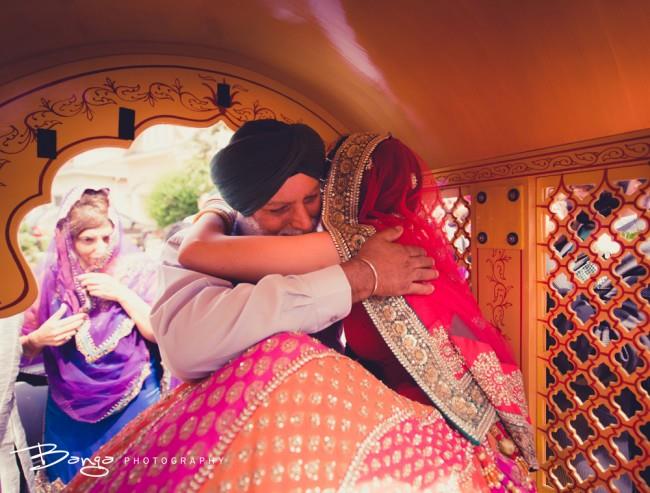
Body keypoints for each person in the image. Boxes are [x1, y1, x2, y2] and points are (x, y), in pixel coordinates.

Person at [68, 122, 536, 492]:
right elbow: (190, 347)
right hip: (235, 446)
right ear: (239, 210)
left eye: (312, 198)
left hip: (325, 434)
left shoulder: (334, 235)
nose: (302, 220)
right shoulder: (196, 248)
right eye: (277, 209)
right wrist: (358, 279)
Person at [19, 188, 165, 485]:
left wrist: (121, 293)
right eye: (88, 239)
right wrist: (38, 339)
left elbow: (159, 331)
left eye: (107, 237)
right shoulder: (46, 281)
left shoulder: (138, 272)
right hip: (68, 408)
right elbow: (15, 352)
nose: (101, 248)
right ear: (67, 241)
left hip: (135, 399)